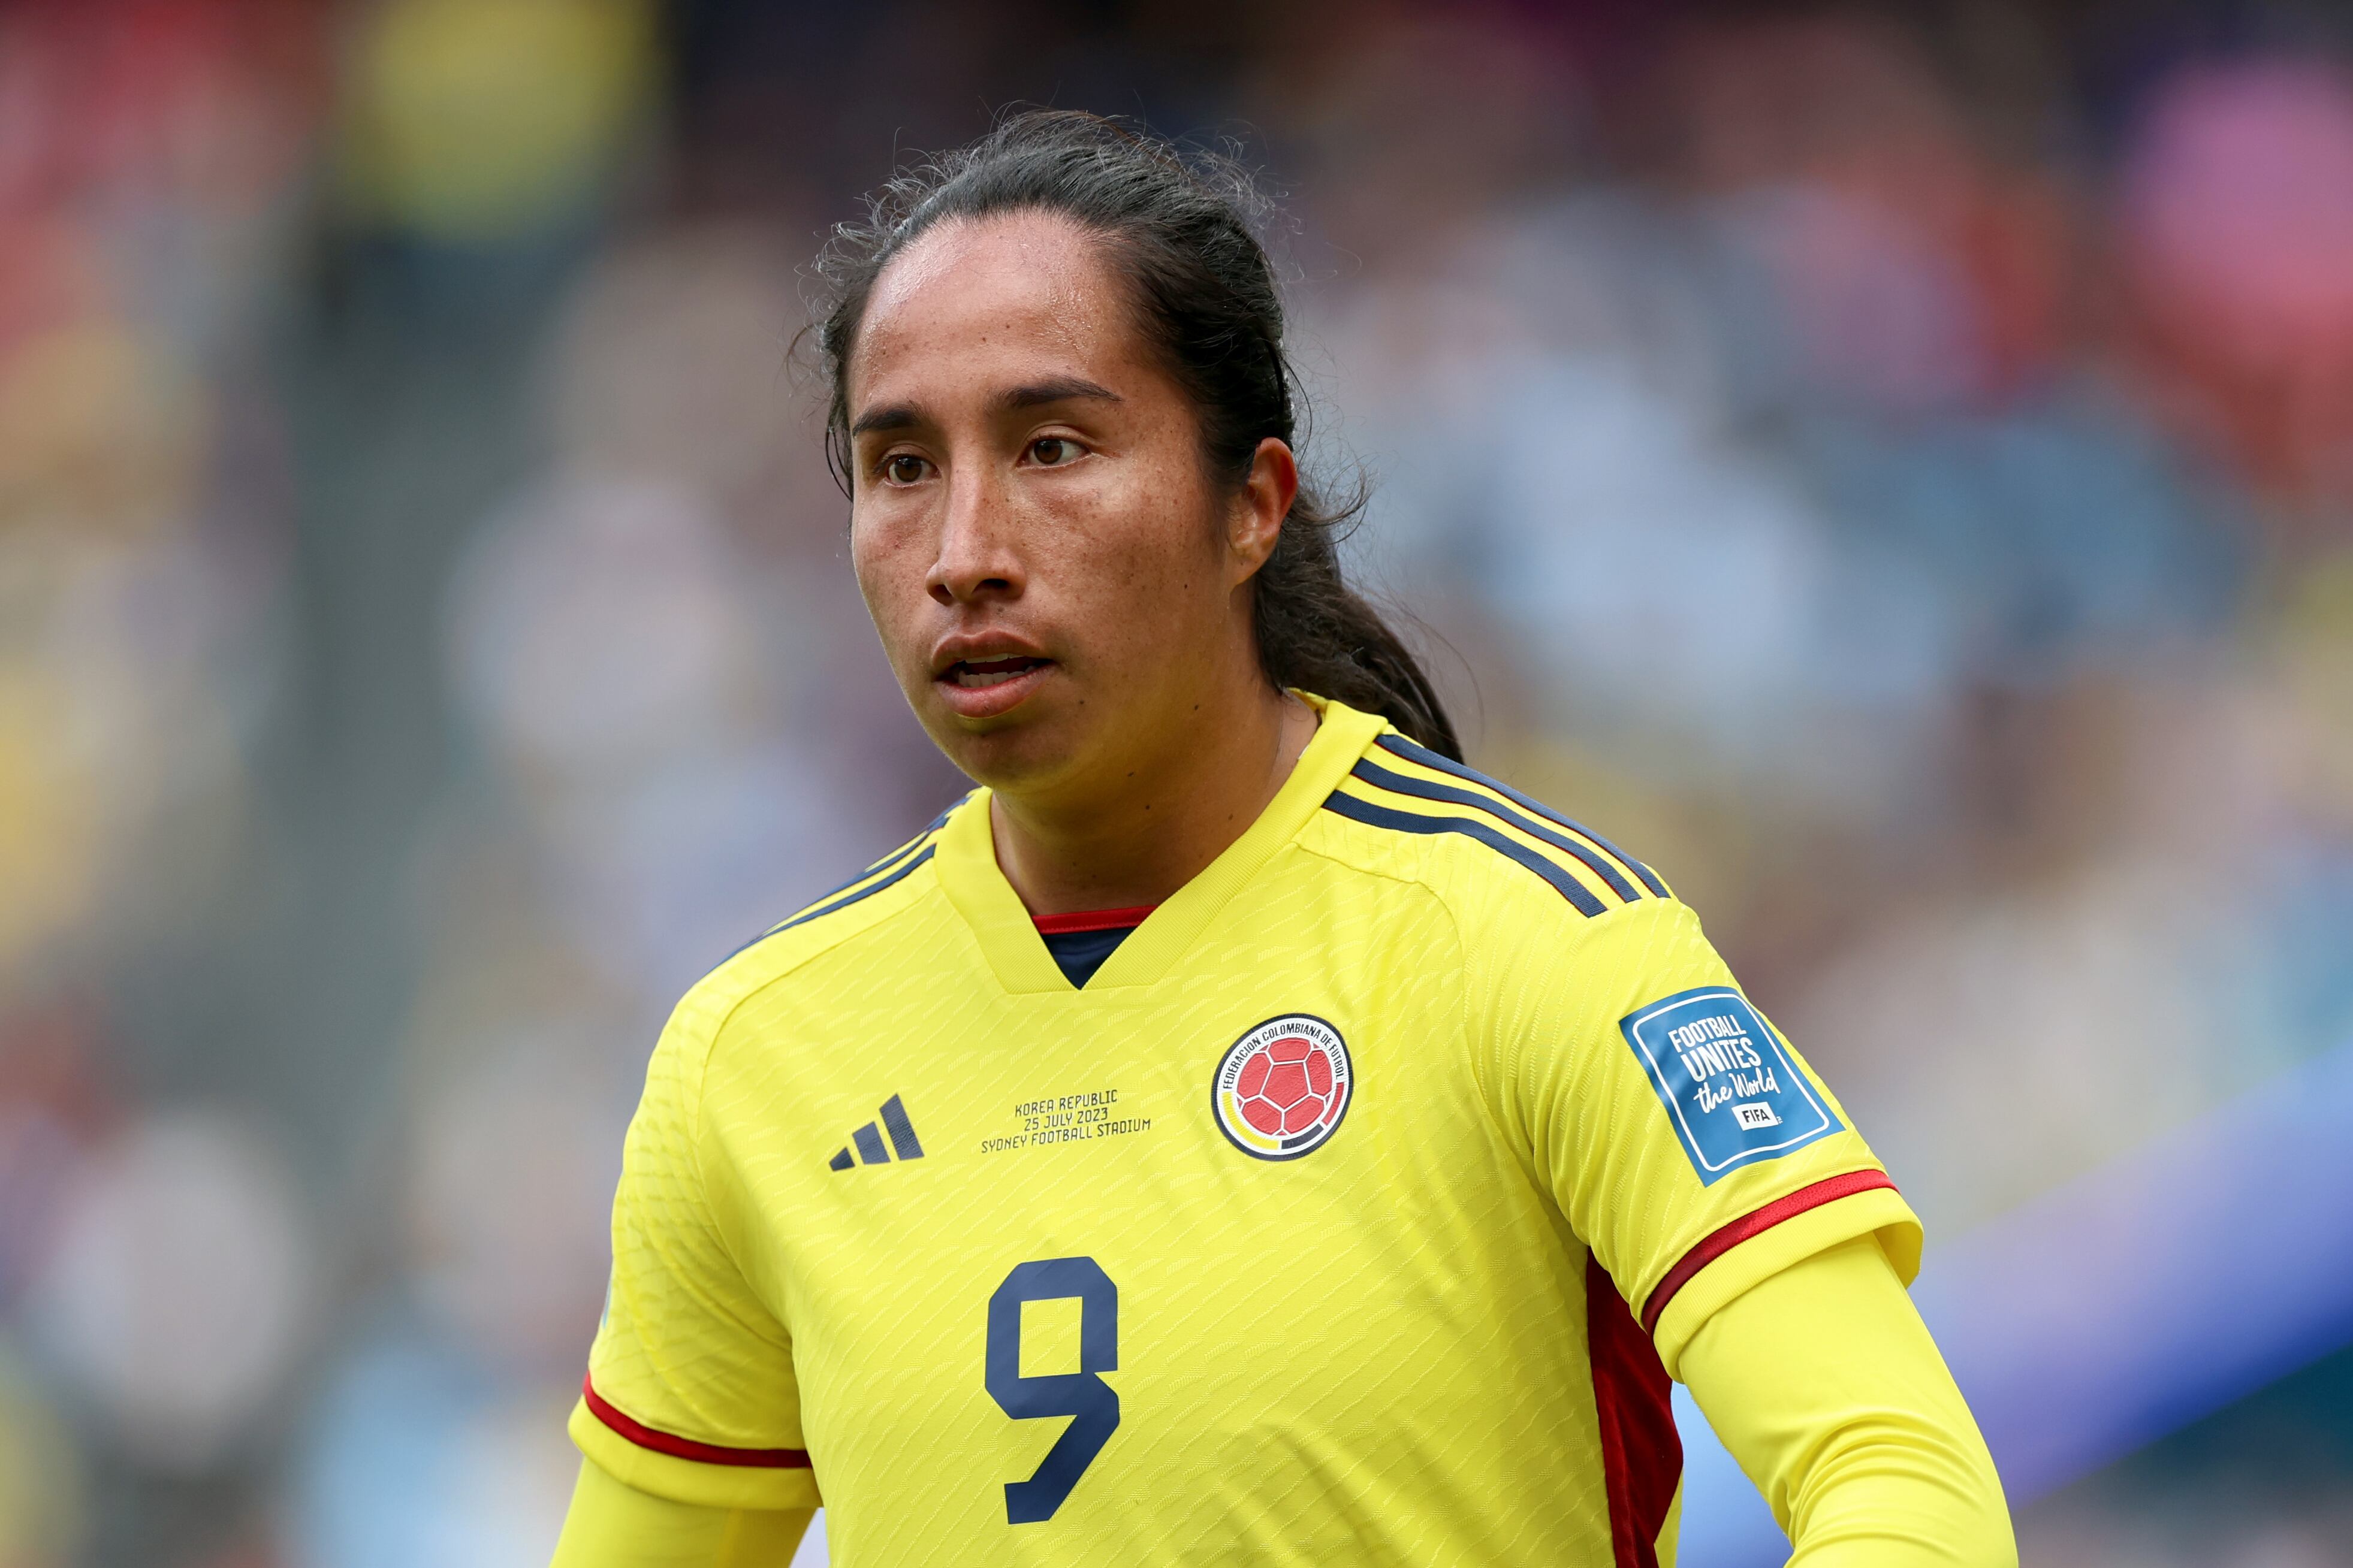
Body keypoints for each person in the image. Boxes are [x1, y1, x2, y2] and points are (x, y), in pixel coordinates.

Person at [548, 111, 2014, 1567]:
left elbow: (1898, 1478)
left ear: (1248, 504)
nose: (963, 552)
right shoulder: (753, 1056)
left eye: (1052, 446)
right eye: (903, 467)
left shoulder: (1529, 941)